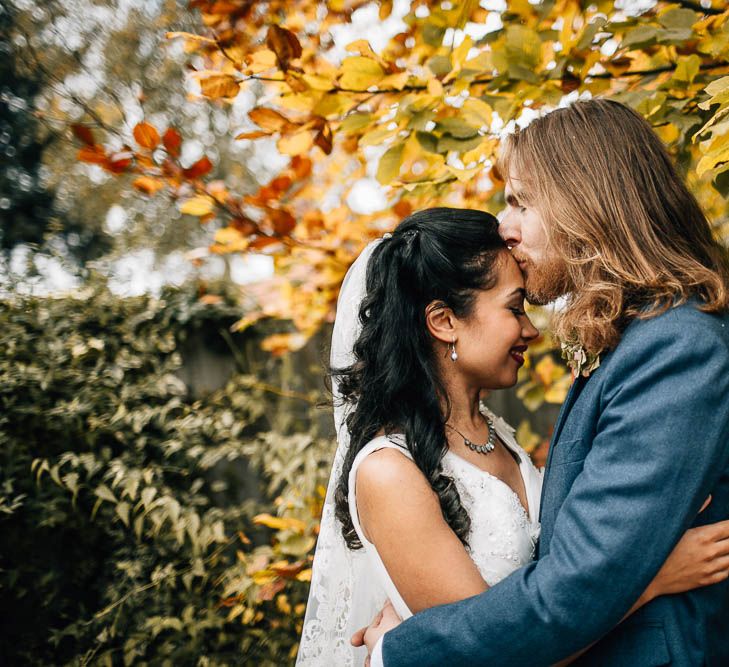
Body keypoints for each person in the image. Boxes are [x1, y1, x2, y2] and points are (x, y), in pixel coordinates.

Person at [359, 99, 729, 666]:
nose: (503, 228)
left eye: (519, 201)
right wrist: (644, 573)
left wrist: (403, 648)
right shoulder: (639, 343)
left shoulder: (674, 348)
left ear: (586, 203)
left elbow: (582, 582)